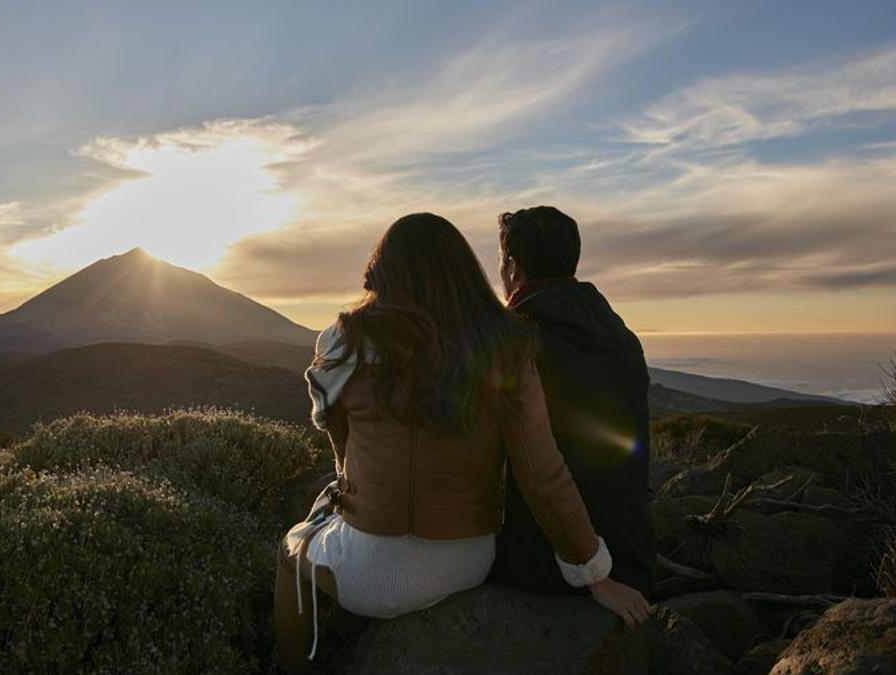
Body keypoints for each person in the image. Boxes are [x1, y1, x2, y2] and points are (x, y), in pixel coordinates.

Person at [273, 212, 650, 672]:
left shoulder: (342, 343)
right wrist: (595, 575)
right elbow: (542, 473)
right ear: (466, 272)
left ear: (382, 271)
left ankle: (292, 665)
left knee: (293, 549)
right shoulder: (507, 346)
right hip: (467, 561)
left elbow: (342, 453)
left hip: (367, 574)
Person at [491, 206, 657, 597]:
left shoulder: (512, 343)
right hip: (630, 558)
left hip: (543, 563)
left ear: (512, 268)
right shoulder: (621, 337)